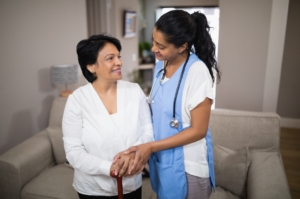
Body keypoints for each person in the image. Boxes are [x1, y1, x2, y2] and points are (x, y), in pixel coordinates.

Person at [114, 10, 221, 199]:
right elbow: (156, 107)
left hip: (189, 166)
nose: (154, 49)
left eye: (160, 45)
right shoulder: (161, 65)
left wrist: (151, 147)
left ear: (182, 46)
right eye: (154, 41)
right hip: (163, 160)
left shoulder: (197, 72)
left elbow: (199, 130)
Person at [62, 34, 154, 199]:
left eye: (118, 56)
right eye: (110, 58)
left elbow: (148, 129)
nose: (119, 62)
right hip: (92, 188)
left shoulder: (134, 91)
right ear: (91, 66)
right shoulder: (77, 100)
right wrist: (111, 167)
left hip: (131, 182)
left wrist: (135, 154)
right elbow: (74, 152)